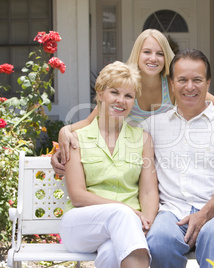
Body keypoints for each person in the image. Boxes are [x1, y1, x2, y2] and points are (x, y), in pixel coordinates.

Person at [51, 29, 214, 174]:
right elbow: (89, 122)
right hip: (135, 163)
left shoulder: (172, 86)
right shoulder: (126, 87)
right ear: (138, 54)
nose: (153, 58)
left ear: (165, 58)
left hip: (168, 164)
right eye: (147, 52)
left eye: (160, 53)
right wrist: (64, 131)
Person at [140, 49, 214, 268]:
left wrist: (203, 215)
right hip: (172, 212)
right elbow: (112, 135)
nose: (189, 86)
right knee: (159, 240)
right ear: (172, 84)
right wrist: (68, 141)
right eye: (182, 80)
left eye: (197, 80)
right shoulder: (153, 126)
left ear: (208, 83)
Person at [59, 61, 159, 268]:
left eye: (129, 96)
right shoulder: (77, 138)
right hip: (81, 225)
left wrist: (146, 223)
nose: (121, 101)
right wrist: (125, 210)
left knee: (113, 254)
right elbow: (77, 195)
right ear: (100, 93)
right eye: (115, 92)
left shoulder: (143, 139)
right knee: (121, 215)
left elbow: (148, 192)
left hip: (127, 227)